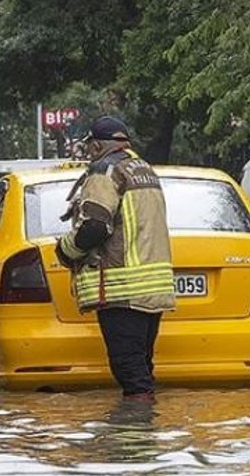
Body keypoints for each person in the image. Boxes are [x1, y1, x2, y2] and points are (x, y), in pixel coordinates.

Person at [55, 115, 176, 401]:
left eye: (89, 147)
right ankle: (144, 423)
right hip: (151, 289)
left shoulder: (105, 171)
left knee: (129, 370)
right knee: (141, 365)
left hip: (122, 289)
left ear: (97, 146)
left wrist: (65, 250)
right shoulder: (143, 169)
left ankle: (135, 424)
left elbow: (95, 226)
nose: (88, 154)